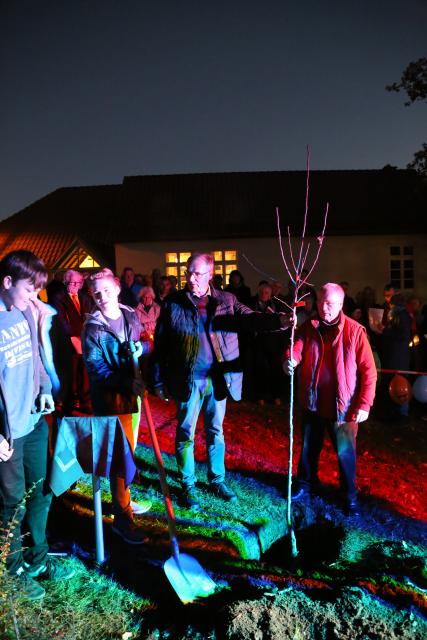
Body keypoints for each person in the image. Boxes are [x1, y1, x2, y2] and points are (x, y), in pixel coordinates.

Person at [153, 253, 293, 509]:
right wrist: (159, 379)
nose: (190, 278)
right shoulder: (174, 303)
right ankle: (188, 484)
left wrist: (279, 321)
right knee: (185, 432)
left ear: (210, 274)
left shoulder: (226, 301)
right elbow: (161, 343)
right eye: (188, 272)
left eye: (196, 273)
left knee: (215, 431)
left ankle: (217, 479)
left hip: (218, 379)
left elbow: (250, 319)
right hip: (189, 380)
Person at [0, 250, 74, 601]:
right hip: (7, 433)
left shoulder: (27, 311)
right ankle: (12, 572)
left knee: (41, 491)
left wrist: (44, 388)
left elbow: (37, 358)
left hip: (33, 421)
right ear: (7, 282)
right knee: (11, 502)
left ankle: (37, 559)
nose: (36, 296)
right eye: (31, 288)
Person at [284, 282, 377, 515]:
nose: (325, 308)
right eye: (322, 302)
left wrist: (364, 404)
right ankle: (306, 484)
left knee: (345, 454)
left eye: (331, 304)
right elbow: (297, 347)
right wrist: (291, 359)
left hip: (343, 408)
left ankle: (349, 496)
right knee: (308, 448)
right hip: (314, 402)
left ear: (341, 304)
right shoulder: (310, 326)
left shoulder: (355, 332)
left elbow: (369, 371)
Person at [82, 268, 153, 544]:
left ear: (117, 289)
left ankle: (125, 499)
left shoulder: (130, 314)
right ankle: (122, 519)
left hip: (131, 398)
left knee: (129, 450)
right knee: (120, 459)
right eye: (96, 293)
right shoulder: (93, 328)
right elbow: (96, 369)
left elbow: (145, 341)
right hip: (110, 401)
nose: (102, 297)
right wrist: (126, 384)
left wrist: (141, 349)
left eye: (106, 290)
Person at [50, 269, 93, 412]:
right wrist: (73, 337)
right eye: (73, 282)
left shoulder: (85, 298)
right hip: (68, 342)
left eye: (79, 283)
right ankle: (71, 400)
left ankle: (85, 400)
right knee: (72, 372)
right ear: (65, 282)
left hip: (84, 339)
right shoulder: (58, 297)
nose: (76, 285)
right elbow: (61, 321)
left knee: (85, 371)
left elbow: (89, 316)